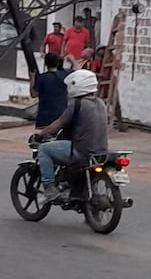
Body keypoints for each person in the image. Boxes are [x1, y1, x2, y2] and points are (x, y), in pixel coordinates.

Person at [34, 69, 108, 204]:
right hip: (101, 151)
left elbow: (58, 124)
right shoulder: (101, 103)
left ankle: (50, 188)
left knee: (44, 149)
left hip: (81, 151)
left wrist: (42, 133)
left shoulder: (77, 104)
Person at [30, 53, 69, 129]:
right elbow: (78, 69)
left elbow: (33, 94)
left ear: (46, 64)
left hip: (44, 117)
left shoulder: (41, 78)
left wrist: (32, 78)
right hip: (61, 116)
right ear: (57, 63)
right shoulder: (65, 76)